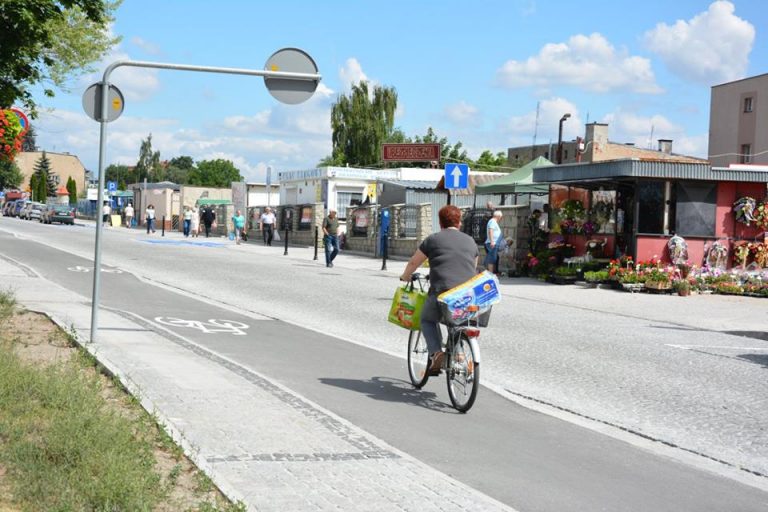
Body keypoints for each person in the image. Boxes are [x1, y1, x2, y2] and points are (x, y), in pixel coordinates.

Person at [400, 205, 479, 374]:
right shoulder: (470, 241)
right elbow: (473, 266)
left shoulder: (433, 239)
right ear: (459, 222)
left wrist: (405, 276)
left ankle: (436, 353)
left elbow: (414, 262)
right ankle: (458, 355)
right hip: (468, 294)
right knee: (458, 322)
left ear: (440, 222)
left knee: (427, 319)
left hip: (442, 291)